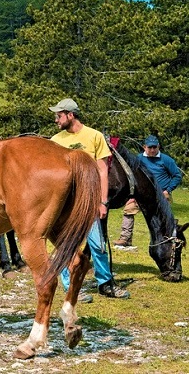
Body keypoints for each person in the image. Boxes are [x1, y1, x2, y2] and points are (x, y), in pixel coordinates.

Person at [49, 98, 130, 301]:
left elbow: (103, 170)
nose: (56, 120)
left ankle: (105, 283)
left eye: (59, 115)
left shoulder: (95, 136)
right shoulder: (55, 141)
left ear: (71, 115)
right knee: (65, 245)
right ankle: (71, 287)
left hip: (89, 201)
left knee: (98, 244)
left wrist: (102, 201)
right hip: (65, 203)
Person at [115, 134, 183, 247]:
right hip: (141, 194)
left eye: (154, 147)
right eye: (150, 147)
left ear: (158, 147)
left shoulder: (166, 160)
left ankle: (165, 240)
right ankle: (125, 238)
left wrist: (168, 190)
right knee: (128, 211)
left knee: (163, 217)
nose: (152, 150)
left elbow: (177, 176)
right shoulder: (139, 159)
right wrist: (131, 196)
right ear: (144, 147)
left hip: (161, 195)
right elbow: (132, 177)